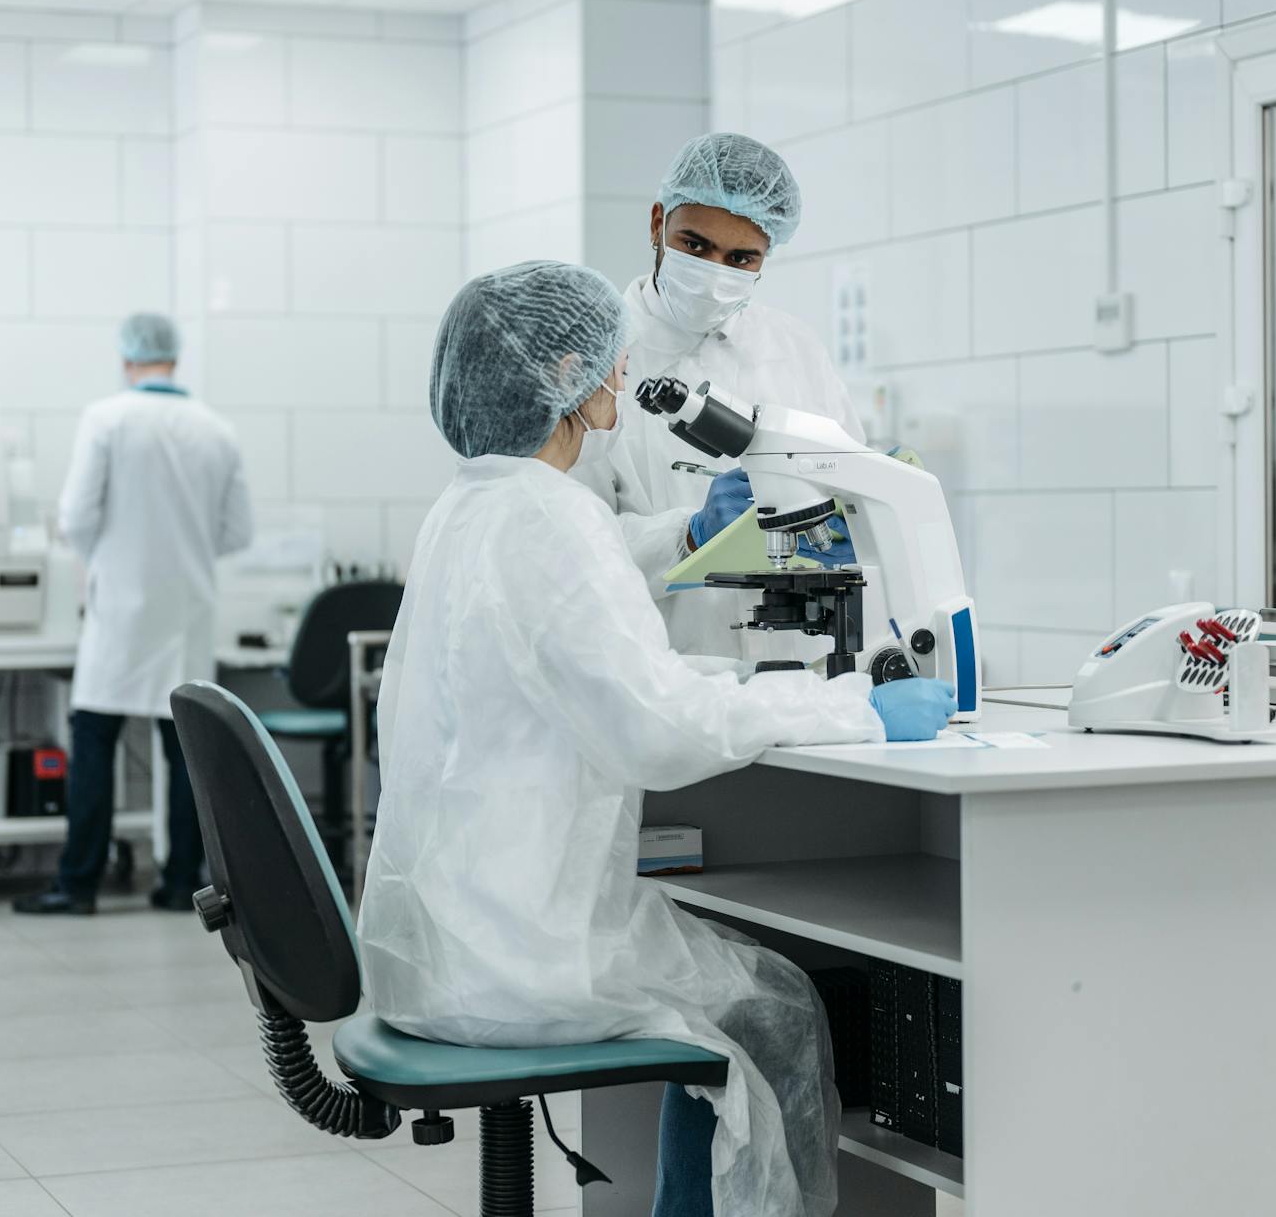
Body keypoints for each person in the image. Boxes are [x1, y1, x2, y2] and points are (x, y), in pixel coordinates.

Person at [357, 261, 955, 1217]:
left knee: (746, 988)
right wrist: (856, 708)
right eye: (606, 356)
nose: (620, 370)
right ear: (565, 374)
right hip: (517, 958)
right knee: (777, 1011)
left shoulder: (469, 506)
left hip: (434, 941)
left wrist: (762, 679)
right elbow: (661, 730)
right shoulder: (551, 518)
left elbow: (617, 677)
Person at [580, 132, 867, 660]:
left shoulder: (795, 349)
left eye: (741, 258)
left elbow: (852, 495)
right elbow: (570, 552)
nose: (714, 274)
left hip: (797, 681)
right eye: (694, 245)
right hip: (659, 684)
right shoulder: (596, 356)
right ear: (657, 224)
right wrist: (688, 538)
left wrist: (862, 517)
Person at [15, 312, 253, 916]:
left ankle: (78, 884)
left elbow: (74, 519)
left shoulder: (107, 419)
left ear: (126, 359)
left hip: (120, 609)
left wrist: (109, 559)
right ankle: (181, 885)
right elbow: (236, 532)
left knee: (94, 743)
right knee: (185, 755)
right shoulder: (218, 430)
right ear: (175, 357)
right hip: (187, 614)